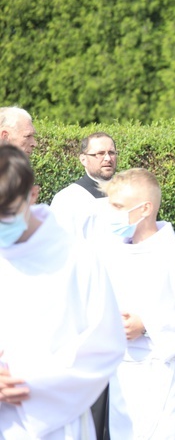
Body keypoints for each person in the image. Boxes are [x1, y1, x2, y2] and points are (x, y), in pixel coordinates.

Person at [0, 145, 126, 439]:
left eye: (6, 211)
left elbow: (105, 343)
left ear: (31, 196)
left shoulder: (76, 257)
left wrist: (31, 382)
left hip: (57, 421)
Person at [100, 168, 175, 438]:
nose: (111, 213)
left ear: (144, 209)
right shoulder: (113, 252)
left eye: (118, 207)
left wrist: (147, 325)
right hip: (123, 373)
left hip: (161, 374)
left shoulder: (172, 256)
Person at [50, 132, 118, 238]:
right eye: (100, 153)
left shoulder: (129, 193)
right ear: (83, 159)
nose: (108, 158)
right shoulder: (67, 199)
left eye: (111, 153)